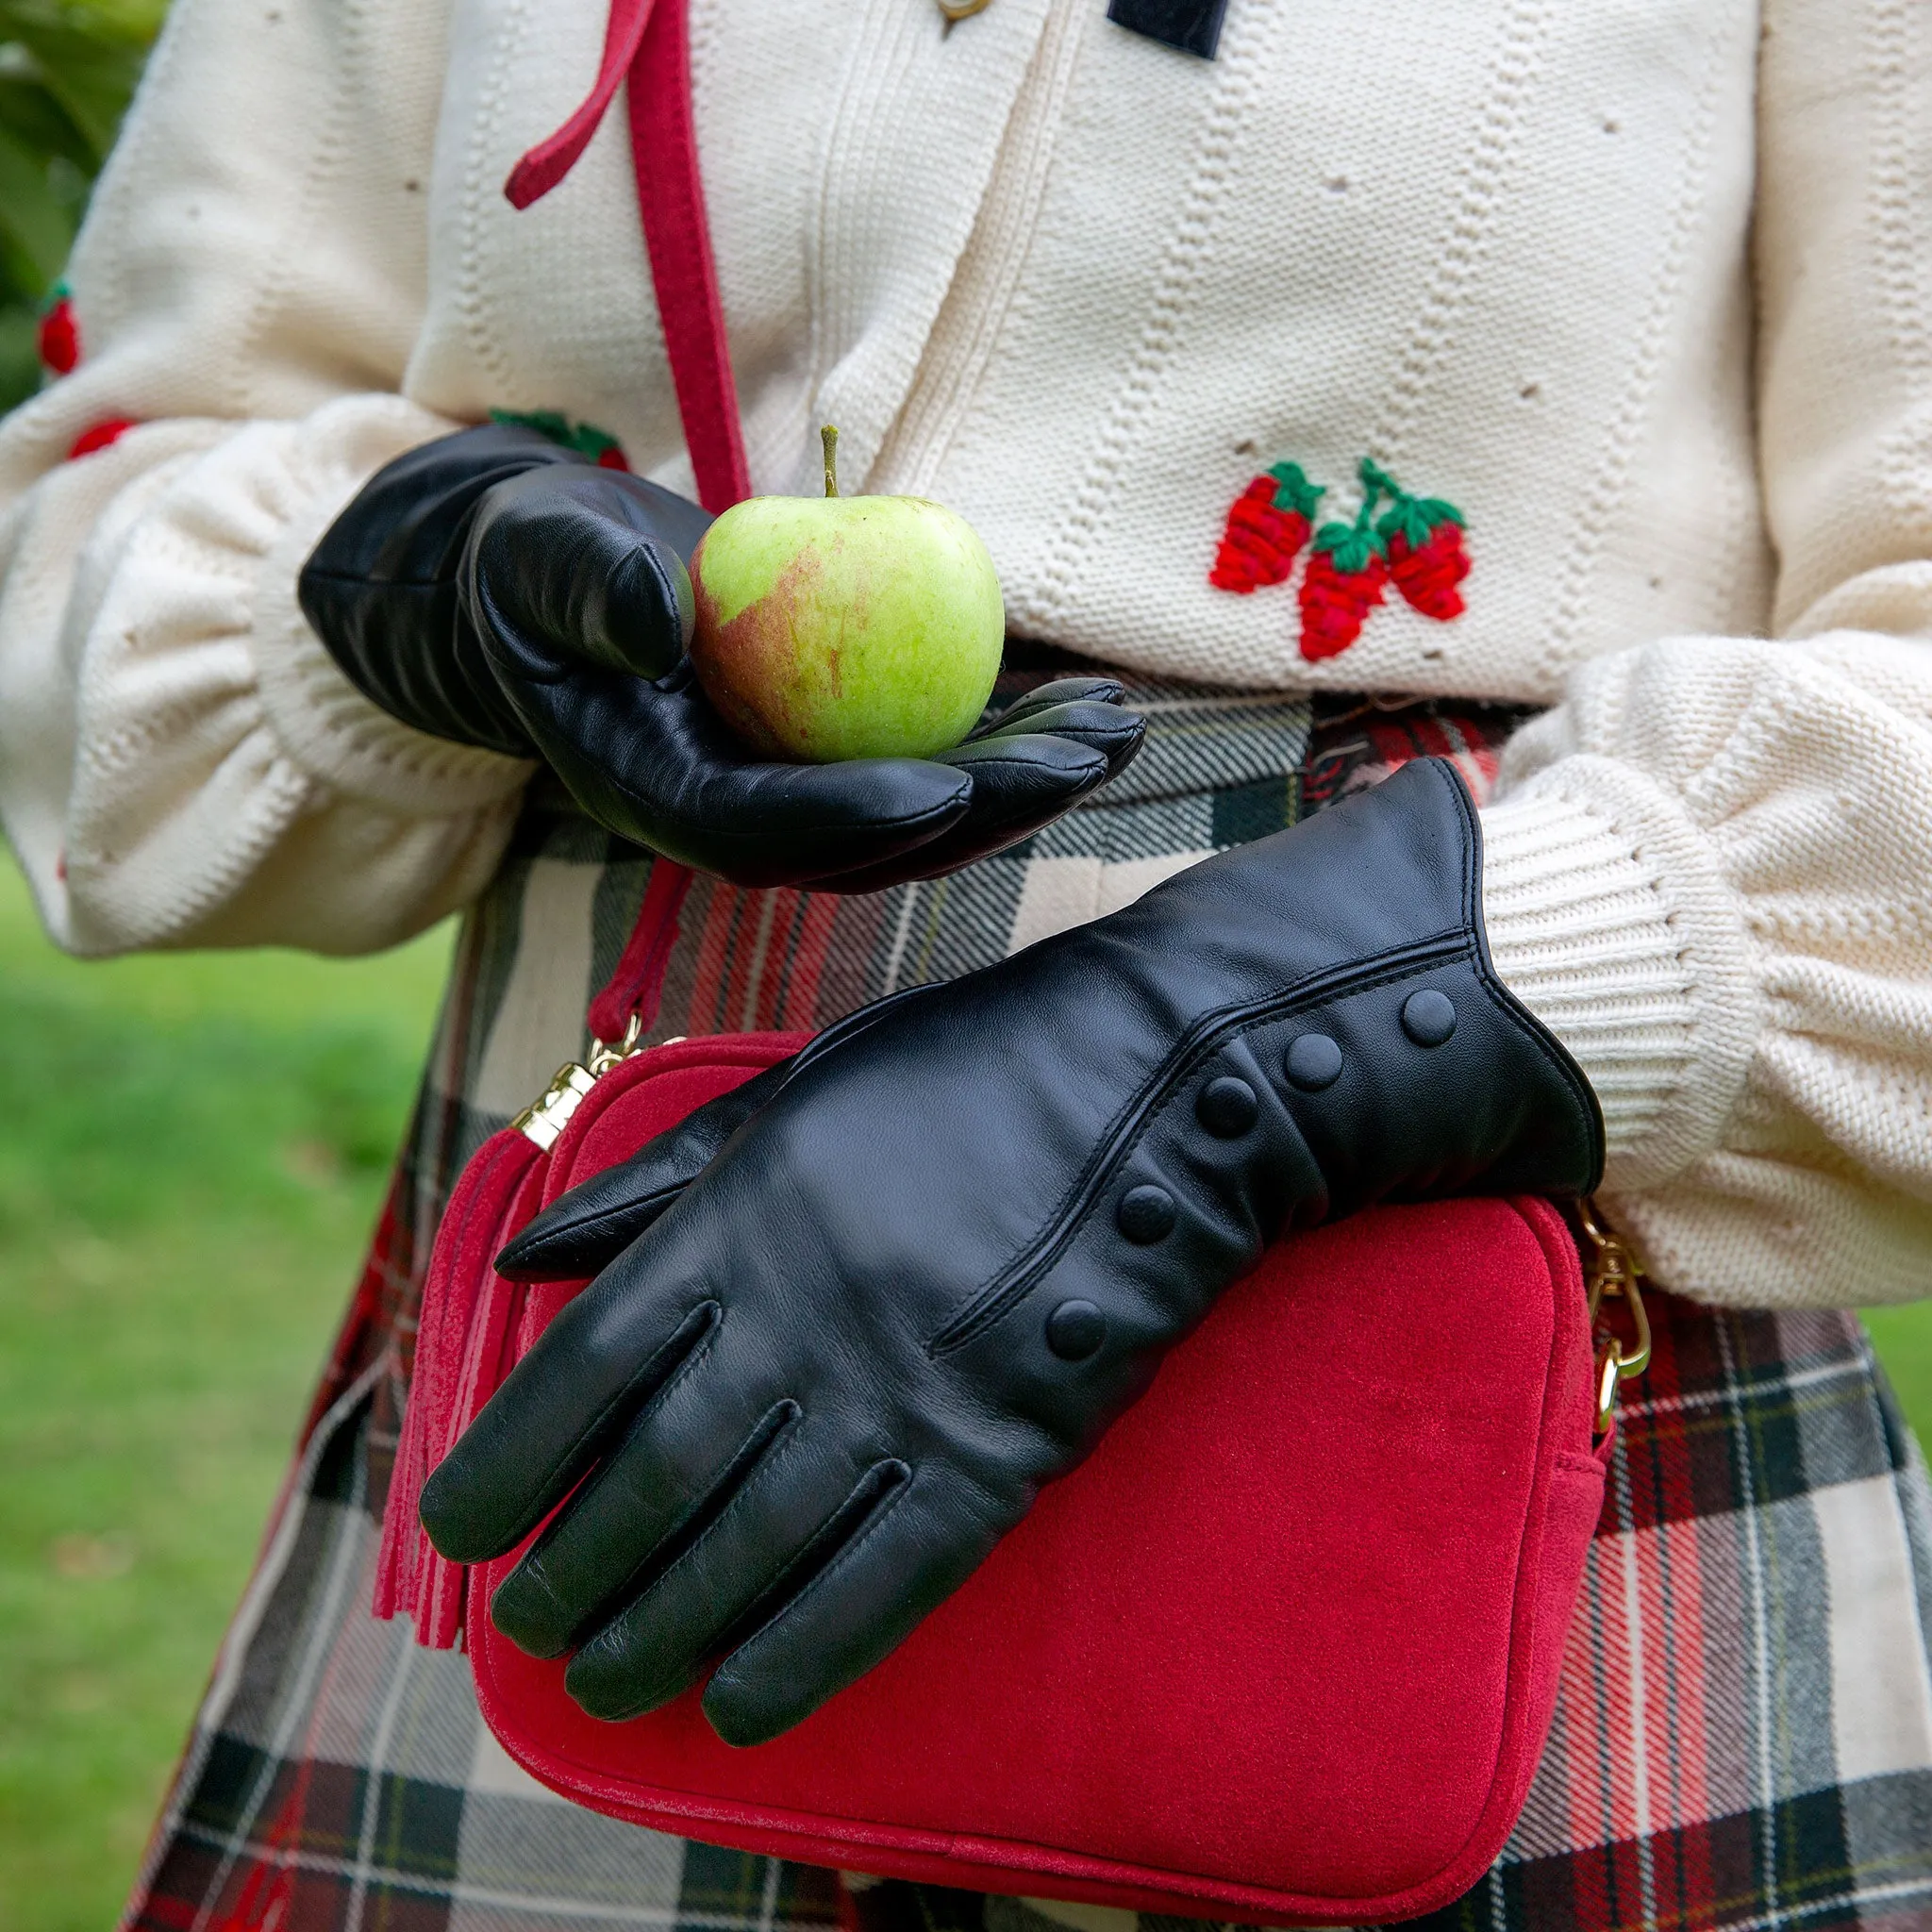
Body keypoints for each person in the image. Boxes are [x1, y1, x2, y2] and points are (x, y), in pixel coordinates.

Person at [2, 0, 1929, 1924]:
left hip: (1437, 1314)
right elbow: (102, 499)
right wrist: (408, 575)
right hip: (634, 1399)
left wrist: (1252, 1043)